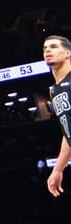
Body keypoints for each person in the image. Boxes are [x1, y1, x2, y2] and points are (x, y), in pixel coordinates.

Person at [44, 35, 71, 197]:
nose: (47, 50)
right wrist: (58, 169)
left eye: (54, 46)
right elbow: (68, 132)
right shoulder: (54, 90)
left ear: (68, 53)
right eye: (45, 48)